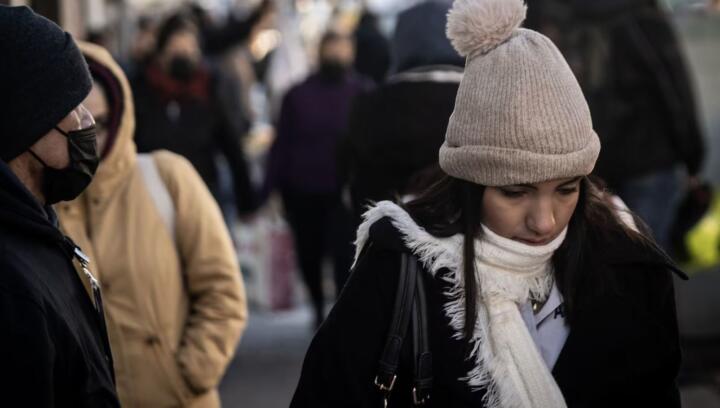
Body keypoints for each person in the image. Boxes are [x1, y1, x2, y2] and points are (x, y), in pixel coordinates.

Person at [290, 0, 684, 406]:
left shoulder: (630, 268)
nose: (545, 222)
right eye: (515, 192)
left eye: (567, 189)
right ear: (470, 183)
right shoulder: (401, 267)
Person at [57, 41, 247, 408]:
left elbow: (222, 290)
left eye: (101, 122)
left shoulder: (167, 176)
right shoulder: (42, 208)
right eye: (74, 126)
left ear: (120, 112)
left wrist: (188, 374)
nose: (89, 139)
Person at [0, 6, 119, 406]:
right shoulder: (10, 282)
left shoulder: (36, 227)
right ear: (26, 125)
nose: (87, 122)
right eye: (72, 107)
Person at [525, 0, 705, 250]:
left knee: (591, 257)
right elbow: (672, 86)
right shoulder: (640, 11)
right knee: (647, 256)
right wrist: (692, 156)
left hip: (578, 161)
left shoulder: (542, 11)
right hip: (649, 158)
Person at [264, 31, 372, 328]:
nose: (337, 56)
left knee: (343, 258)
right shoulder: (297, 95)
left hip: (345, 194)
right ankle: (316, 309)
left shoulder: (362, 92)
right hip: (302, 191)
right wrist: (269, 189)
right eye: (332, 49)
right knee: (309, 256)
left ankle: (338, 317)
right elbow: (282, 143)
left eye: (342, 49)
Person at [344, 0, 465, 227]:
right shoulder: (482, 101)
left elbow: (355, 180)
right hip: (466, 246)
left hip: (388, 243)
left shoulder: (370, 105)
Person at [131, 12, 257, 220]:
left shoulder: (209, 89)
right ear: (162, 51)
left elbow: (231, 145)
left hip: (201, 196)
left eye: (189, 47)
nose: (183, 53)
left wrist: (246, 201)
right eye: (176, 47)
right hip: (150, 198)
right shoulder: (142, 88)